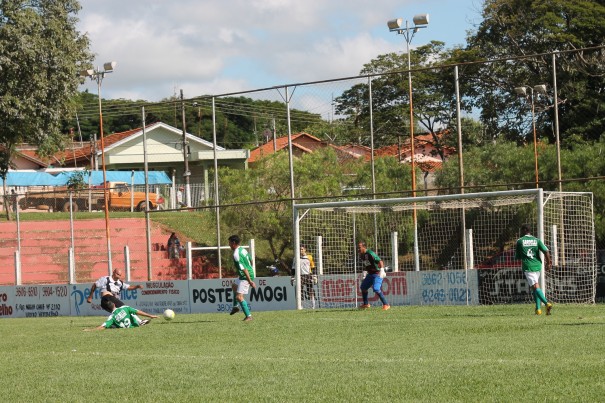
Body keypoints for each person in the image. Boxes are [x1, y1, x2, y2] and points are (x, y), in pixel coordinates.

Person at [515, 224, 553, 315]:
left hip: (528, 266)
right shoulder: (537, 240)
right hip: (538, 266)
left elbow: (518, 256)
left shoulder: (520, 241)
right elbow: (546, 251)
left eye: (521, 230)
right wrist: (549, 263)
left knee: (535, 286)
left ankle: (546, 303)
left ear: (524, 230)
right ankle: (538, 309)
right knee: (534, 287)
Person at [228, 234, 256, 321]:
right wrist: (250, 269)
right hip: (246, 273)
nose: (229, 245)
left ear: (233, 243)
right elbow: (251, 260)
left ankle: (249, 316)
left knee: (239, 297)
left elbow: (244, 269)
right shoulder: (242, 249)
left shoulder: (236, 254)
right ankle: (235, 307)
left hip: (245, 275)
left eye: (229, 243)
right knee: (234, 286)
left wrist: (250, 281)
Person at [83, 299, 158, 331]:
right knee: (132, 311)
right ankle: (140, 322)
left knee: (110, 325)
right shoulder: (125, 308)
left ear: (108, 309)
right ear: (115, 304)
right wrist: (150, 315)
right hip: (135, 325)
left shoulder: (112, 317)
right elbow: (138, 311)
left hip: (125, 328)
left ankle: (140, 322)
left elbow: (102, 327)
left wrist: (90, 330)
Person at [357, 241, 390, 311]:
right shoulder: (361, 255)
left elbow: (380, 261)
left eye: (359, 247)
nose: (358, 249)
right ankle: (366, 304)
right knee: (363, 287)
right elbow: (367, 264)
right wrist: (365, 272)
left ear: (364, 247)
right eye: (357, 247)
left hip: (377, 274)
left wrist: (382, 270)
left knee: (376, 289)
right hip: (370, 274)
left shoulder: (370, 253)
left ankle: (386, 304)